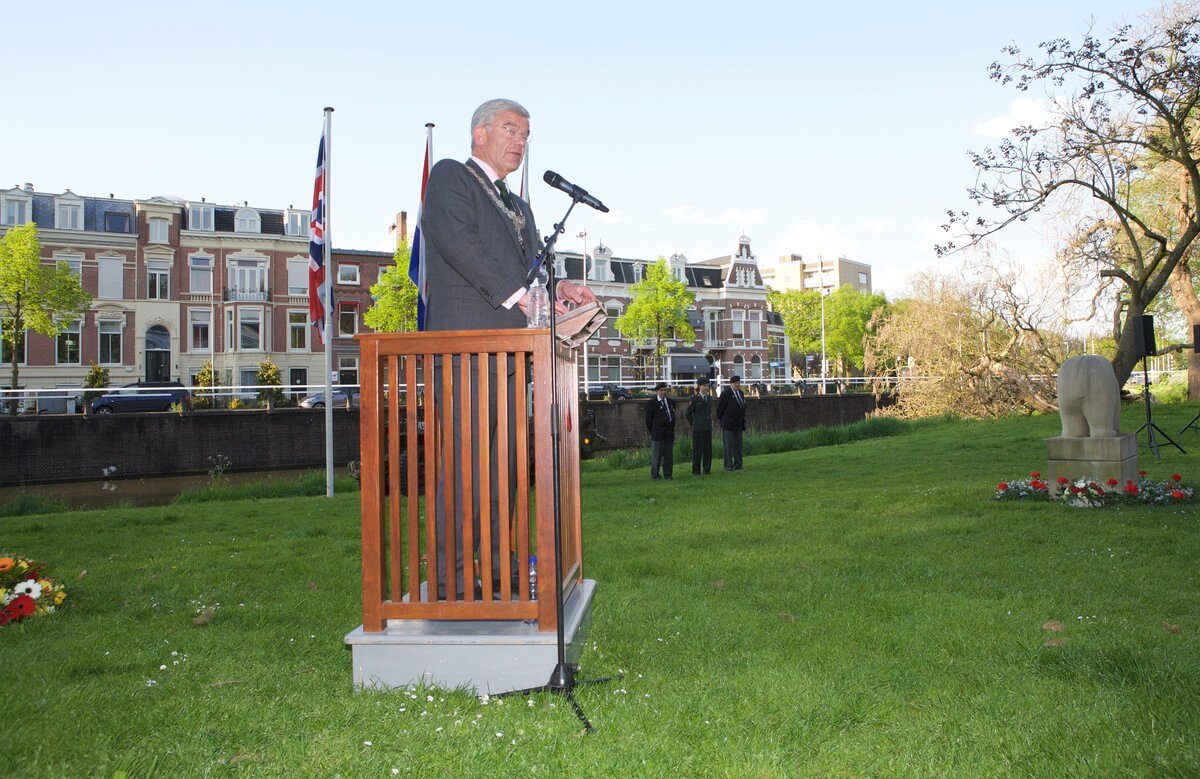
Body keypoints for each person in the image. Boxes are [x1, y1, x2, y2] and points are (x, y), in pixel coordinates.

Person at [420, 98, 596, 599]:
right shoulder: (451, 177)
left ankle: (497, 566)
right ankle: (452, 580)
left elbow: (530, 270)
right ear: (479, 133)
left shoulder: (520, 205)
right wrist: (523, 297)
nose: (519, 141)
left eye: (525, 134)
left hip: (514, 356)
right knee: (463, 466)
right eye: (510, 129)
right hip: (467, 351)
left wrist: (557, 288)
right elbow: (460, 244)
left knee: (503, 467)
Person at [645, 382, 676, 480]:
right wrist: (653, 431)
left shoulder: (671, 402)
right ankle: (655, 475)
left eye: (665, 390)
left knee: (668, 456)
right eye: (661, 390)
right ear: (657, 391)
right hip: (658, 433)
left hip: (669, 433)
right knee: (657, 456)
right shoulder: (652, 403)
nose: (663, 392)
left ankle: (668, 474)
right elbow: (648, 420)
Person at [716, 374, 747, 471]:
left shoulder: (741, 393)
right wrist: (724, 419)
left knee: (738, 445)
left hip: (738, 423)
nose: (737, 385)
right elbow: (719, 410)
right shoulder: (725, 394)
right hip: (728, 424)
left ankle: (738, 463)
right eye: (735, 383)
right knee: (728, 446)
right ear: (731, 384)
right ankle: (728, 465)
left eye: (738, 383)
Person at [685, 377, 714, 475]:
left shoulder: (709, 398)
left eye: (707, 386)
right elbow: (688, 413)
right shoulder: (695, 399)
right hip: (698, 428)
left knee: (707, 450)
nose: (706, 388)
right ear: (700, 386)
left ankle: (707, 469)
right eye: (704, 386)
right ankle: (696, 470)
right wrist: (694, 423)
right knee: (697, 450)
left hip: (707, 427)